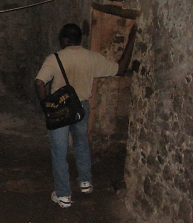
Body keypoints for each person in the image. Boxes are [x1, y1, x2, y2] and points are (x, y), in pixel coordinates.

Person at [35, 23, 137, 208]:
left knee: (59, 151)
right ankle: (85, 181)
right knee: (81, 143)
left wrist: (46, 106)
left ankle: (63, 194)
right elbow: (120, 69)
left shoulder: (55, 58)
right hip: (80, 107)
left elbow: (40, 83)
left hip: (59, 110)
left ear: (65, 39)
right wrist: (131, 40)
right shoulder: (92, 57)